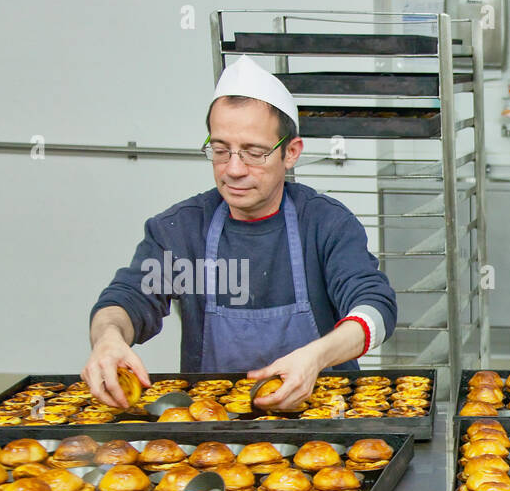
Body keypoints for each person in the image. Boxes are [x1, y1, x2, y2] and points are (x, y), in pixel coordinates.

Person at [84, 56, 398, 411]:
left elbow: (375, 308)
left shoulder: (325, 224)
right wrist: (108, 338)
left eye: (254, 153)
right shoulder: (181, 230)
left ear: (291, 152)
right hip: (212, 437)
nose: (233, 169)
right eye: (220, 150)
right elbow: (127, 299)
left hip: (322, 422)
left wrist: (316, 357)